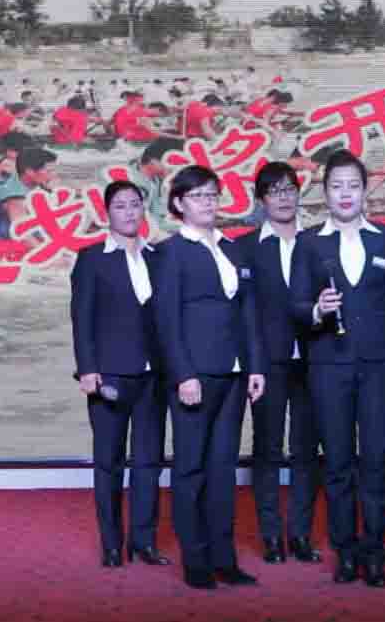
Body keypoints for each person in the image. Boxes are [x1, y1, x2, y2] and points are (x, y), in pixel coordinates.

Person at [291, 149, 385, 588]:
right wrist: (316, 310)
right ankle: (345, 552)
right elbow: (294, 305)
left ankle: (374, 551)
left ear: (366, 191)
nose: (345, 194)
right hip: (329, 365)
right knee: (338, 463)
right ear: (325, 193)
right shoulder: (310, 242)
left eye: (353, 186)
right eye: (336, 186)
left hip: (380, 366)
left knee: (378, 459)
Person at [154, 165, 267, 590]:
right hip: (195, 376)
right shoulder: (171, 252)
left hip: (233, 374)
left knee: (222, 470)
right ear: (179, 204)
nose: (207, 202)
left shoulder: (232, 248)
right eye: (197, 196)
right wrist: (183, 374)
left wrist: (255, 366)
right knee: (190, 469)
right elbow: (166, 321)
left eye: (212, 195)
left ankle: (225, 558)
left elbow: (248, 314)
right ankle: (196, 560)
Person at [70, 180, 170, 569]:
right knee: (109, 462)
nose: (129, 212)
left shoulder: (159, 257)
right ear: (106, 213)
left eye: (135, 205)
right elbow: (82, 319)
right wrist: (87, 369)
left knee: (148, 462)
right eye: (120, 206)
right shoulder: (92, 258)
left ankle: (144, 542)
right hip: (108, 376)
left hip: (153, 376)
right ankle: (111, 544)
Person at [242, 162, 322, 566]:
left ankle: (301, 534)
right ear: (261, 200)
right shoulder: (247, 247)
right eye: (274, 191)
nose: (284, 197)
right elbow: (244, 315)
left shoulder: (318, 242)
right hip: (267, 364)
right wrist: (252, 364)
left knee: (307, 450)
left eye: (290, 189)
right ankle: (271, 536)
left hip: (314, 360)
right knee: (268, 450)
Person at [0, 148, 58, 244]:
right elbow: (23, 235)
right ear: (29, 171)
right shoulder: (15, 197)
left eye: (54, 170)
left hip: (22, 239)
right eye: (49, 171)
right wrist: (54, 253)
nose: (54, 175)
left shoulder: (29, 186)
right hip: (2, 244)